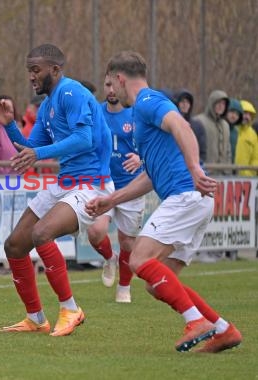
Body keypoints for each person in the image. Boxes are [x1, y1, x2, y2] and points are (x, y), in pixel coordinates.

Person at [86, 51, 242, 353]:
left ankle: (196, 322)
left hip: (185, 196)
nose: (110, 92)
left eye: (109, 83)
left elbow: (181, 127)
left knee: (139, 259)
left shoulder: (147, 101)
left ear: (120, 79)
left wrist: (195, 168)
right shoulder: (143, 112)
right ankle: (223, 330)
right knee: (157, 282)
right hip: (193, 200)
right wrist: (111, 200)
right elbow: (150, 176)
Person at [0, 43, 113, 336]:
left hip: (92, 183)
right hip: (66, 182)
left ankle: (71, 309)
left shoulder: (73, 93)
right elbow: (32, 147)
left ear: (55, 70)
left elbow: (84, 139)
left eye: (36, 70)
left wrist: (40, 154)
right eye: (28, 71)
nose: (31, 76)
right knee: (15, 245)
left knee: (42, 233)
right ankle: (35, 318)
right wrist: (9, 126)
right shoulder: (47, 106)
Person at [86, 74, 144, 303]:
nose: (110, 90)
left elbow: (149, 144)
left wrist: (140, 157)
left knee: (128, 242)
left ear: (123, 87)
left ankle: (124, 287)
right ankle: (110, 258)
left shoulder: (135, 115)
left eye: (114, 85)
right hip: (103, 184)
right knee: (95, 232)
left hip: (131, 186)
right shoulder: (96, 112)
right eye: (107, 84)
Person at [192, 90, 231, 170]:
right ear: (211, 104)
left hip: (224, 175)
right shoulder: (199, 121)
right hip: (205, 172)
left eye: (223, 104)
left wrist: (228, 170)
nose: (221, 106)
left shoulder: (226, 125)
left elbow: (228, 150)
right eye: (218, 103)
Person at [0, 95, 18, 175]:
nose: (7, 112)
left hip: (18, 178)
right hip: (0, 180)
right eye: (4, 108)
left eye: (9, 108)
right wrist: (3, 174)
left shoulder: (17, 129)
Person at [234, 100, 258, 176]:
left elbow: (255, 157)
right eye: (245, 113)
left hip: (247, 179)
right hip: (227, 176)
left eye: (250, 114)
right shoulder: (230, 129)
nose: (247, 117)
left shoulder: (253, 134)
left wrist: (249, 173)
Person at [225, 98, 243, 163]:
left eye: (237, 114)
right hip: (217, 168)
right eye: (232, 112)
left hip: (232, 168)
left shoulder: (236, 132)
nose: (234, 116)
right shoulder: (220, 127)